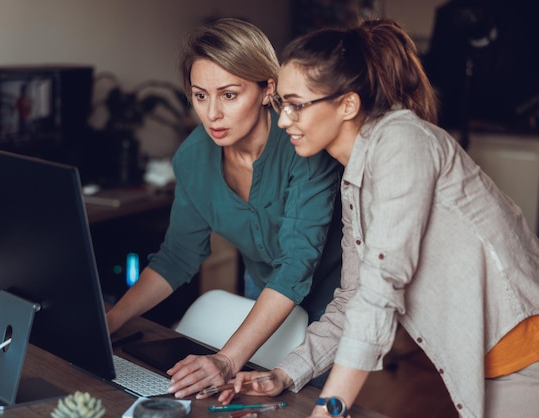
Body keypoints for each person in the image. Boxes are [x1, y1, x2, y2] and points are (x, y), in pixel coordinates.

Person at [224, 18, 539, 417]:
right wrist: (286, 373)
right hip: (484, 368)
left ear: (347, 104)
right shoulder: (355, 180)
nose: (284, 119)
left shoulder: (402, 144)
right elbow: (353, 298)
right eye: (281, 104)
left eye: (297, 105)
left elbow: (379, 292)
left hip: (527, 363)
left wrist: (328, 410)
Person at [105, 18, 344, 399]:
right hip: (266, 289)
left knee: (307, 401)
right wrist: (112, 319)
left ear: (268, 89)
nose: (212, 114)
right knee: (250, 397)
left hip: (335, 295)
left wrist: (226, 359)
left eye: (229, 95)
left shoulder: (303, 146)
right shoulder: (192, 158)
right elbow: (177, 255)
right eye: (201, 96)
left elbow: (297, 263)